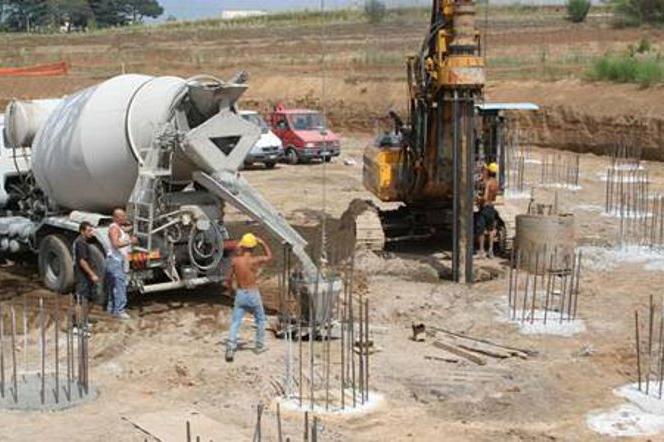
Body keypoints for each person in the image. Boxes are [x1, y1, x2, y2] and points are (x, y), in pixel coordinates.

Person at [225, 233, 273, 363]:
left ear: (243, 246)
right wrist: (262, 243)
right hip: (253, 293)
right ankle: (259, 346)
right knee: (260, 320)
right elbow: (269, 256)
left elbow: (228, 279)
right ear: (253, 248)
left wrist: (231, 291)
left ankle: (230, 348)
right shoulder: (254, 260)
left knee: (236, 321)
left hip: (240, 293)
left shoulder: (235, 261)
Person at [105, 208, 137, 320]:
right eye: (122, 216)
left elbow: (127, 228)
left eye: (124, 216)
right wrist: (130, 241)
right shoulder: (114, 228)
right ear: (115, 218)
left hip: (115, 260)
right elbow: (115, 244)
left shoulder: (118, 227)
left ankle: (111, 309)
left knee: (113, 286)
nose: (124, 218)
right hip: (115, 261)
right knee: (120, 286)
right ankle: (119, 311)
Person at [73, 221, 99, 333]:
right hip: (82, 277)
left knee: (89, 299)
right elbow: (82, 261)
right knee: (81, 301)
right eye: (89, 230)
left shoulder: (84, 242)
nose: (91, 233)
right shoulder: (80, 243)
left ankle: (84, 320)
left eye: (91, 230)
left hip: (86, 277)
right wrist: (92, 274)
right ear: (82, 231)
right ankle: (77, 326)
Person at [475, 162, 500, 258]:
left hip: (485, 207)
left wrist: (478, 198)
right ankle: (490, 250)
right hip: (491, 208)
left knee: (480, 230)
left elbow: (485, 197)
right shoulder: (496, 183)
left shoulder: (488, 183)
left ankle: (481, 251)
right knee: (491, 230)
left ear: (489, 171)